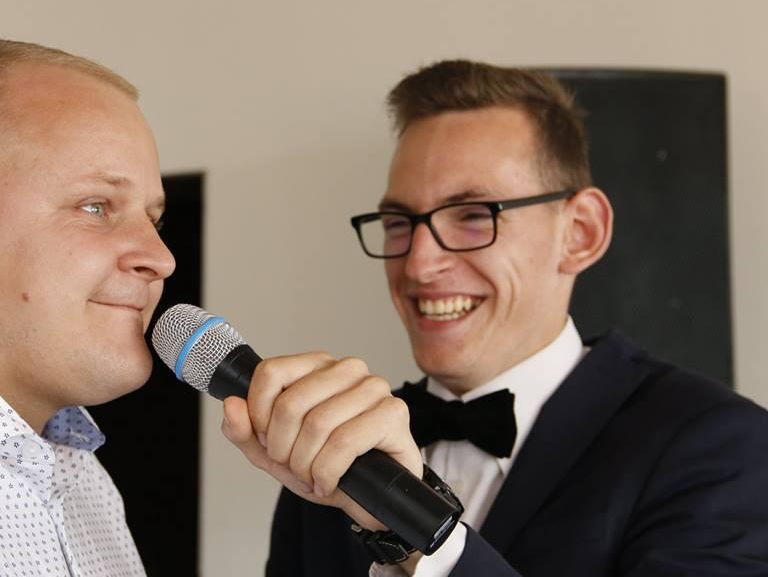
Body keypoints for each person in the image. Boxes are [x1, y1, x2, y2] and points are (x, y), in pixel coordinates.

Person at [0, 37, 420, 576]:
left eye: (155, 219)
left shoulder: (81, 481)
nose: (162, 258)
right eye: (96, 206)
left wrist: (400, 537)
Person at [258, 60, 768, 576]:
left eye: (473, 215)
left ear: (581, 233)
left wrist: (407, 527)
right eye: (398, 222)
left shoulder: (720, 445)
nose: (418, 265)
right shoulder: (333, 441)